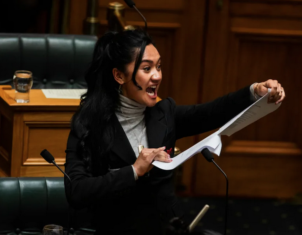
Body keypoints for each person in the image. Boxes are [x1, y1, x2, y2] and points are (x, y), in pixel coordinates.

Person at [64, 29, 285, 235]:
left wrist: (255, 92)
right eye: (146, 68)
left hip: (170, 227)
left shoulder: (164, 113)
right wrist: (134, 170)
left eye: (159, 67)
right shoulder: (90, 123)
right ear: (119, 76)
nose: (157, 76)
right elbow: (77, 191)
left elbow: (212, 112)